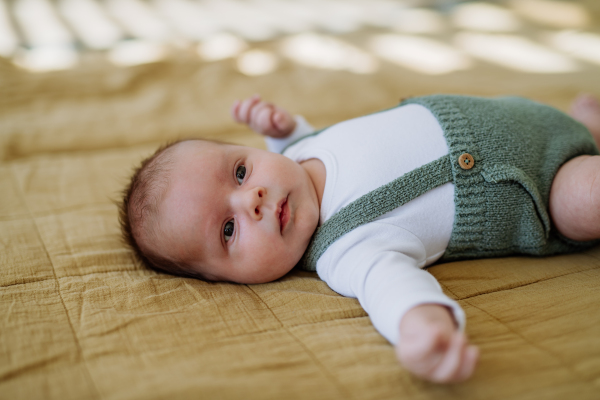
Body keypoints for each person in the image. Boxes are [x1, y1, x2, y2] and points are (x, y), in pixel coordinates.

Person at [119, 93, 600, 383]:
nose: (254, 199)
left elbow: (313, 145)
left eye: (240, 171)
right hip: (538, 187)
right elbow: (389, 287)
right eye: (229, 229)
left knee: (574, 128)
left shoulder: (299, 152)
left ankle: (585, 125)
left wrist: (282, 130)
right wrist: (418, 327)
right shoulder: (345, 250)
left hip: (517, 116)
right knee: (589, 194)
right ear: (226, 281)